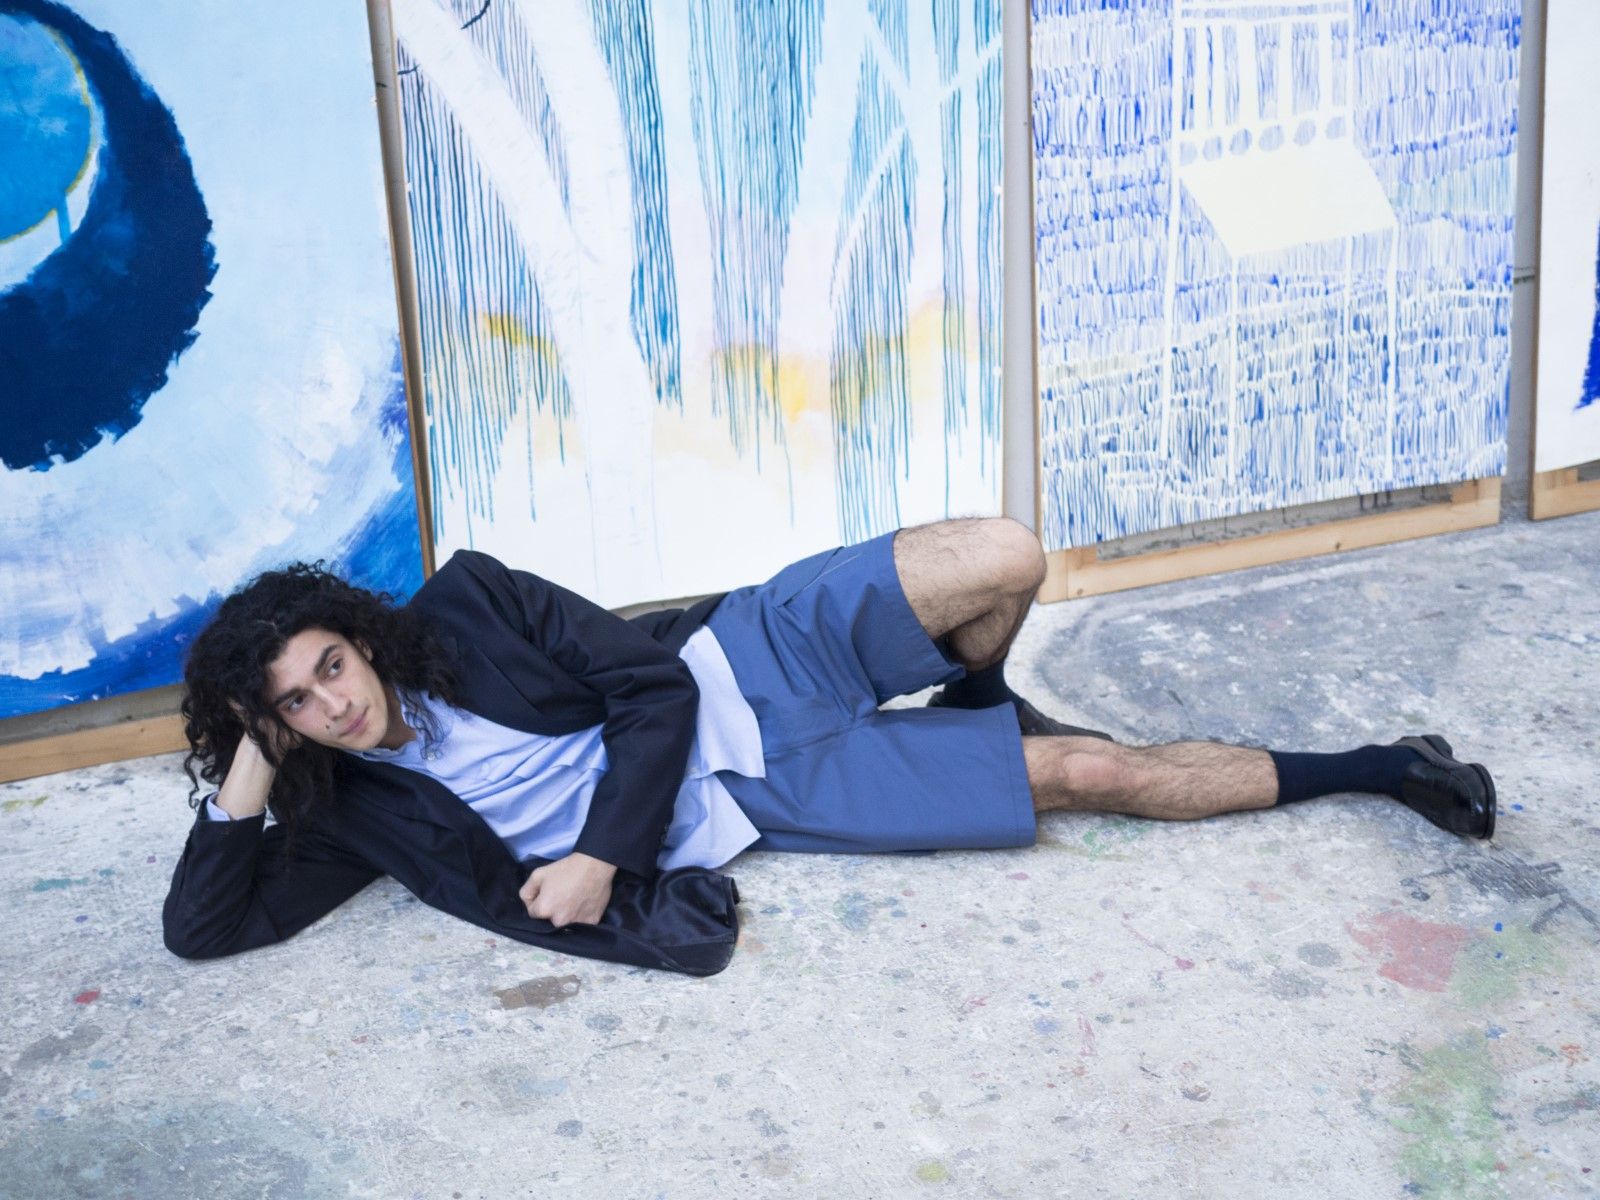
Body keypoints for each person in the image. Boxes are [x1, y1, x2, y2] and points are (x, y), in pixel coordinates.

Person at [163, 519, 1495, 976]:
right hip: (766, 794)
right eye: (295, 705)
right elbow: (205, 930)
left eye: (328, 666)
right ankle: (1390, 762)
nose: (332, 704)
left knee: (1003, 555)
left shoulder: (470, 604)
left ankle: (976, 693)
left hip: (741, 659)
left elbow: (649, 692)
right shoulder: (353, 810)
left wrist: (599, 855)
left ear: (358, 636)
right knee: (1094, 774)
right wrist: (249, 769)